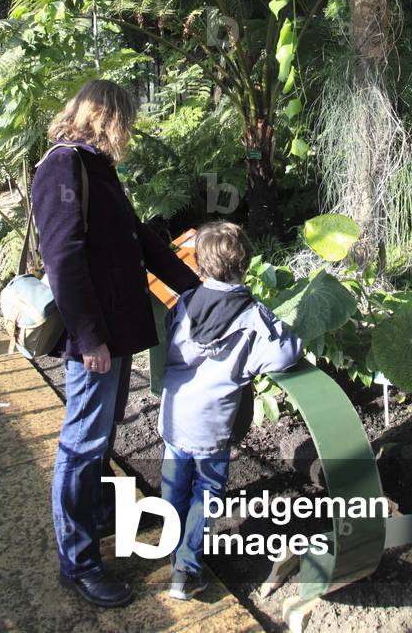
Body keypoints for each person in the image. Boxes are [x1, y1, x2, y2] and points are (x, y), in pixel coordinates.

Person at [31, 79, 199, 609]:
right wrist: (89, 339)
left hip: (117, 332)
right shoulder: (62, 166)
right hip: (96, 338)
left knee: (101, 437)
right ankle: (78, 563)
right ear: (107, 117)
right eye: (126, 122)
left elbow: (138, 238)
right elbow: (63, 259)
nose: (128, 133)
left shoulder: (96, 167)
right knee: (81, 445)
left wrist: (196, 287)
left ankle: (102, 513)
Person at [159, 221, 302, 601]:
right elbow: (286, 353)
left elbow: (172, 348)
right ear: (246, 263)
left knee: (174, 484)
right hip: (212, 425)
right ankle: (185, 569)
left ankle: (172, 546)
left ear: (199, 264)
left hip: (175, 415)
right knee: (206, 491)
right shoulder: (253, 316)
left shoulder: (186, 302)